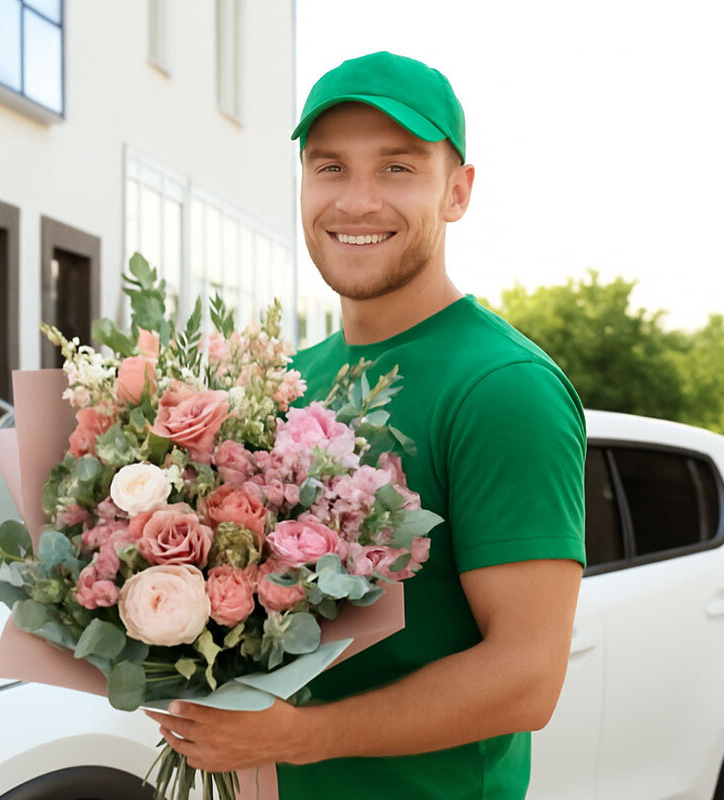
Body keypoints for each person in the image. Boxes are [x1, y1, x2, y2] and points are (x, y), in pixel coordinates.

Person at [144, 50, 587, 799]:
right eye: (329, 168)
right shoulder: (287, 382)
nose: (355, 201)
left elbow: (526, 678)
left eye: (397, 168)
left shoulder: (502, 388)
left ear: (458, 192)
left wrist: (302, 738)